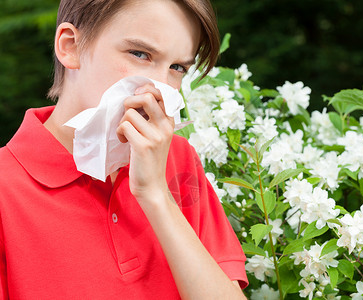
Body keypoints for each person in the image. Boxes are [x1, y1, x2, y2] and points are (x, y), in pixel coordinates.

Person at [0, 0, 248, 298]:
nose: (157, 87)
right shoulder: (6, 187)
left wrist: (156, 194)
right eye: (140, 54)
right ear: (70, 47)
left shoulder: (178, 158)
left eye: (177, 67)